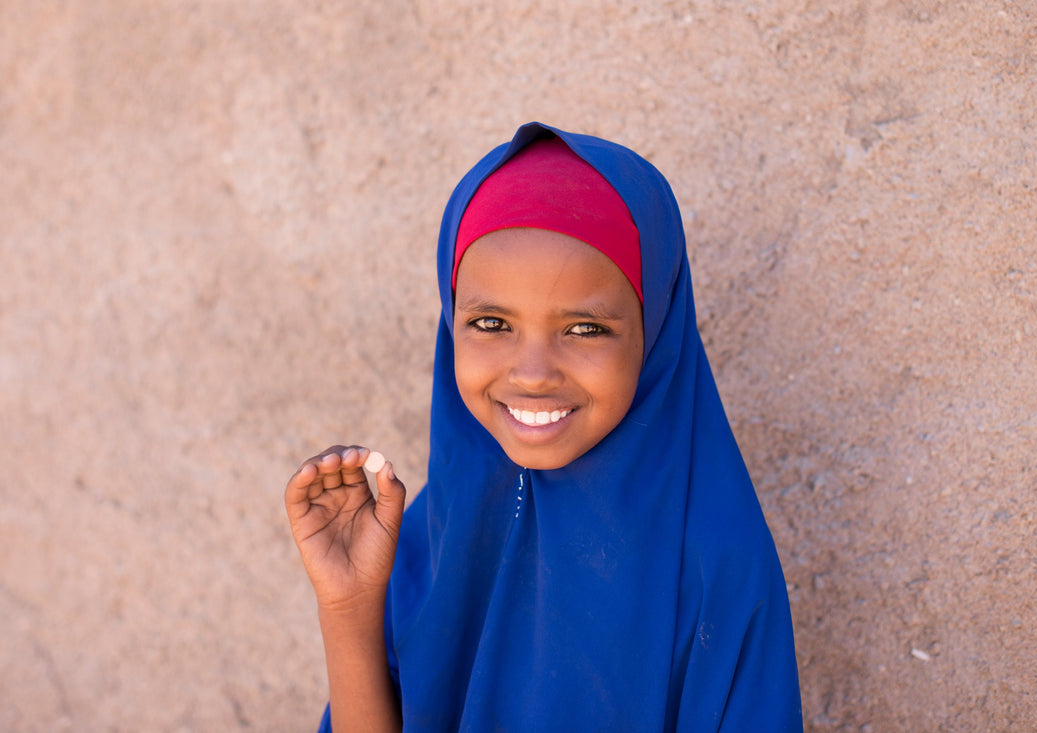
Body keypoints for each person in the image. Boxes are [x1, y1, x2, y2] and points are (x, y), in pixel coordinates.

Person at [285, 122, 803, 732]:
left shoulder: (716, 566)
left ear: (656, 333)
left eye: (585, 329)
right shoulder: (435, 533)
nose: (532, 375)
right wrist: (348, 607)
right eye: (491, 324)